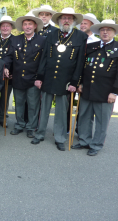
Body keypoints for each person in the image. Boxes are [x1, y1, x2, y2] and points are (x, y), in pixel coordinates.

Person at [32, 8, 88, 151]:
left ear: (74, 21)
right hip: (49, 78)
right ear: (58, 21)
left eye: (69, 18)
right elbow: (44, 57)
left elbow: (80, 62)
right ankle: (39, 134)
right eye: (64, 18)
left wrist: (75, 82)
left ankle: (60, 138)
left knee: (62, 112)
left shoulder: (80, 36)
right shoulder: (51, 34)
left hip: (66, 80)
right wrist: (39, 77)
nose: (66, 21)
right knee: (44, 108)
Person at [72, 20, 118, 156]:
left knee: (102, 120)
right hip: (87, 88)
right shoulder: (91, 46)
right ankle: (84, 141)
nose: (105, 32)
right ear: (99, 32)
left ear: (114, 32)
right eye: (102, 30)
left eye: (109, 30)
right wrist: (81, 83)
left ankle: (96, 144)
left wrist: (115, 92)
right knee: (84, 117)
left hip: (105, 92)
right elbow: (84, 67)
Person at [5, 13, 45, 137]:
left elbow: (44, 61)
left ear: (35, 26)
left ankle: (31, 127)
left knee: (33, 105)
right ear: (22, 26)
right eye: (25, 24)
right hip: (18, 78)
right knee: (19, 104)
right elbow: (9, 56)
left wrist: (40, 78)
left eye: (30, 24)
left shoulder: (42, 40)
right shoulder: (15, 39)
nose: (27, 27)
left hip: (33, 79)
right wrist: (6, 67)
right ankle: (19, 124)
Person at [0, 16, 16, 127]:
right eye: (3, 26)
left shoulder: (16, 40)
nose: (5, 28)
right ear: (0, 27)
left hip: (9, 74)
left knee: (5, 97)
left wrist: (6, 67)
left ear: (11, 27)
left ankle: (2, 117)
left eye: (7, 26)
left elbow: (12, 56)